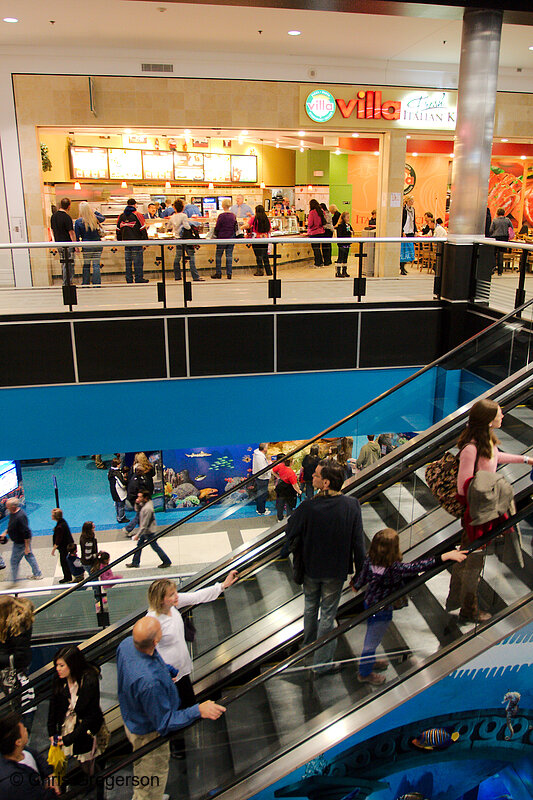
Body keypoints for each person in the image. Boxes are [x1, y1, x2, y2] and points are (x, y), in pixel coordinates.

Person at [117, 617, 226, 800]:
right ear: (155, 641)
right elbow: (164, 723)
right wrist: (198, 710)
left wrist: (169, 671)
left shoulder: (127, 644)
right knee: (153, 775)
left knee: (142, 765)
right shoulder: (150, 683)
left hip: (133, 717)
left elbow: (154, 657)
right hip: (148, 733)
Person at [445, 399, 533, 622]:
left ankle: (466, 604)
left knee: (475, 560)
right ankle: (467, 609)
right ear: (488, 420)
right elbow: (463, 485)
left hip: (485, 512)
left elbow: (494, 458)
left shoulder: (486, 443)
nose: (502, 416)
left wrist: (524, 459)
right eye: (499, 414)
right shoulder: (471, 448)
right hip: (476, 515)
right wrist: (489, 491)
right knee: (472, 562)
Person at [351, 528, 466, 684]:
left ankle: (369, 661)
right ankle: (364, 673)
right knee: (372, 641)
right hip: (382, 609)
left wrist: (356, 585)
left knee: (372, 636)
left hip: (369, 601)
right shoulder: (394, 569)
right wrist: (444, 556)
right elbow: (418, 566)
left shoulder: (369, 560)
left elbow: (362, 577)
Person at [145, 571, 238, 756]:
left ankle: (183, 738)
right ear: (161, 599)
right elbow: (147, 652)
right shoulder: (153, 620)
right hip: (169, 677)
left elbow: (197, 596)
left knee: (188, 703)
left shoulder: (173, 607)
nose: (176, 596)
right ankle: (177, 747)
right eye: (171, 594)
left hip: (183, 670)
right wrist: (161, 674)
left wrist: (222, 585)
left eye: (175, 593)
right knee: (176, 710)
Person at [286, 461, 366, 672]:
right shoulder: (352, 505)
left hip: (311, 569)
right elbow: (358, 543)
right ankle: (321, 664)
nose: (312, 476)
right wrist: (360, 575)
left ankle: (307, 650)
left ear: (326, 482)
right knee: (328, 615)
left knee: (310, 608)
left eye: (316, 475)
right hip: (336, 571)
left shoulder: (308, 507)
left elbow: (291, 529)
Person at [47, 646, 105, 775]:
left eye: (62, 665)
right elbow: (53, 706)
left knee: (87, 763)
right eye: (57, 665)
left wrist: (71, 738)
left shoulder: (89, 680)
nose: (58, 669)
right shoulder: (58, 680)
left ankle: (96, 787)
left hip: (84, 729)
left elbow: (91, 715)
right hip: (67, 724)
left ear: (72, 664)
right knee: (60, 763)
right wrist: (52, 731)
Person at [0, 712, 58, 800]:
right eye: (23, 729)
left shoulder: (26, 751)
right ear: (18, 742)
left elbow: (42, 763)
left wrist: (51, 778)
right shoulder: (18, 782)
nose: (26, 729)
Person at [0, 596, 35, 731]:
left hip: (15, 674)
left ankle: (21, 731)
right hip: (10, 672)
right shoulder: (8, 625)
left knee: (19, 706)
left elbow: (21, 656)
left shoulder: (18, 626)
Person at [0, 499, 42, 584]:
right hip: (18, 541)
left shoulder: (21, 516)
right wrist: (5, 532)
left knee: (14, 561)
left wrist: (27, 547)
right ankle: (37, 573)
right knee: (29, 557)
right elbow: (12, 525)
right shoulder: (12, 513)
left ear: (13, 506)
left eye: (8, 506)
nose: (6, 507)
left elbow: (26, 532)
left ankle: (14, 581)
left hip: (21, 543)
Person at [126, 490, 171, 569]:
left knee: (154, 547)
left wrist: (137, 535)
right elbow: (137, 510)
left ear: (145, 498)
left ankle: (166, 561)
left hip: (148, 531)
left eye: (140, 497)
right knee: (140, 545)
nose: (138, 498)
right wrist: (137, 503)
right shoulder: (146, 503)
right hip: (147, 530)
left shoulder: (147, 509)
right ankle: (135, 562)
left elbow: (144, 525)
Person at [166, 198, 204, 282]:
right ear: (183, 207)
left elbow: (168, 228)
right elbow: (187, 227)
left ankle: (177, 276)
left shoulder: (172, 217)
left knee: (177, 258)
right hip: (186, 239)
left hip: (177, 239)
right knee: (191, 257)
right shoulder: (183, 216)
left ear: (174, 208)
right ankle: (195, 276)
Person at [116, 200, 148, 284]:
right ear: (135, 205)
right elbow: (143, 228)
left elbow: (118, 229)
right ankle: (139, 278)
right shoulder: (138, 214)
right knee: (138, 262)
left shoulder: (121, 215)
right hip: (136, 242)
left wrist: (119, 241)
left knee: (128, 262)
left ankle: (129, 279)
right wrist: (145, 241)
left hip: (126, 242)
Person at [74, 201, 105, 286]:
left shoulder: (78, 221)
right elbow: (103, 218)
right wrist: (94, 211)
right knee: (96, 265)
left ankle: (86, 283)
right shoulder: (94, 218)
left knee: (86, 265)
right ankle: (96, 284)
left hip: (86, 245)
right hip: (97, 244)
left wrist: (76, 247)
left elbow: (77, 236)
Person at [51, 197, 76, 285]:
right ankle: (67, 282)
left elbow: (53, 230)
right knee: (69, 264)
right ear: (69, 206)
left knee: (63, 263)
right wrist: (75, 245)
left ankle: (66, 281)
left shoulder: (53, 216)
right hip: (67, 244)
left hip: (59, 243)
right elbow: (71, 232)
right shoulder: (67, 217)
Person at [212, 199, 238, 279]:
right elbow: (235, 227)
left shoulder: (221, 216)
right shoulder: (233, 215)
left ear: (222, 206)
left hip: (222, 238)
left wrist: (214, 235)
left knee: (218, 255)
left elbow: (217, 227)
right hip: (231, 238)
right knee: (229, 256)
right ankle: (229, 274)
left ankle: (218, 273)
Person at [244, 205, 272, 276]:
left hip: (256, 239)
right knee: (265, 255)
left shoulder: (254, 218)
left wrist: (241, 227)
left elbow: (247, 225)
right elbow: (270, 229)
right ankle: (269, 271)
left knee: (258, 256)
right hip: (265, 239)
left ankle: (260, 271)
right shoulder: (267, 219)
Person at [272, 454, 301, 521]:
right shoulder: (291, 473)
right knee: (289, 504)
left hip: (281, 486)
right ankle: (288, 519)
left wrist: (279, 477)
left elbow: (273, 471)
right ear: (291, 463)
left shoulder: (280, 465)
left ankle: (280, 518)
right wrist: (299, 491)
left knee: (280, 503)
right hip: (289, 489)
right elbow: (294, 485)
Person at [50, 508, 74, 584]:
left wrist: (54, 548)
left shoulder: (60, 526)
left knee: (64, 562)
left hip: (64, 547)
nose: (51, 516)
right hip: (67, 545)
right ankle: (68, 576)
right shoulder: (62, 522)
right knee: (66, 561)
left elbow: (58, 539)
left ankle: (67, 577)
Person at [489, 207, 513, 276]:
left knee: (493, 254)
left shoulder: (495, 220)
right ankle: (500, 271)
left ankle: (492, 269)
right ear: (504, 213)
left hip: (495, 238)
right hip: (504, 238)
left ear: (497, 213)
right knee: (501, 254)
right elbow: (511, 228)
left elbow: (491, 230)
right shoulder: (507, 220)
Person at [252, 443, 273, 515]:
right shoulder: (260, 457)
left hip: (259, 477)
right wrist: (270, 465)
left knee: (260, 493)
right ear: (264, 449)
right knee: (262, 494)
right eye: (267, 447)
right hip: (262, 478)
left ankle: (260, 508)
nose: (267, 449)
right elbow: (263, 469)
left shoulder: (257, 454)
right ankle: (262, 510)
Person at [306, 199, 326, 268]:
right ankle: (321, 262)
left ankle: (317, 262)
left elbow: (310, 223)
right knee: (318, 248)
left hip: (314, 232)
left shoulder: (312, 212)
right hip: (321, 231)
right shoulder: (321, 211)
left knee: (315, 248)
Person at [108, 457, 128, 524]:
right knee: (121, 506)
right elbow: (122, 484)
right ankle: (121, 518)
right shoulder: (117, 474)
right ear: (117, 464)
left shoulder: (110, 471)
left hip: (113, 491)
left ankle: (118, 516)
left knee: (117, 504)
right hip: (119, 492)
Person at [401, 196, 417, 275]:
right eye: (411, 201)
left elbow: (414, 221)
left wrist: (415, 231)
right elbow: (401, 221)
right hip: (405, 232)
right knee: (403, 251)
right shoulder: (403, 210)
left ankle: (404, 266)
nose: (412, 202)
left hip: (411, 231)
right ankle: (402, 267)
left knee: (409, 250)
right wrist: (402, 231)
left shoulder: (413, 210)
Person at [335, 211, 353, 278]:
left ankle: (344, 271)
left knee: (345, 257)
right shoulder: (340, 226)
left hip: (347, 243)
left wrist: (351, 232)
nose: (348, 219)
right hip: (342, 244)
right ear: (343, 218)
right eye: (347, 217)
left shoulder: (348, 225)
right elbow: (340, 235)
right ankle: (338, 272)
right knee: (340, 257)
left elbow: (351, 231)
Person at [320, 203, 334, 267]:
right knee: (328, 245)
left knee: (324, 246)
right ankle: (329, 260)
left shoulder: (324, 214)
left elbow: (325, 221)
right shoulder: (329, 213)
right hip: (330, 230)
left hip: (326, 230)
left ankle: (326, 261)